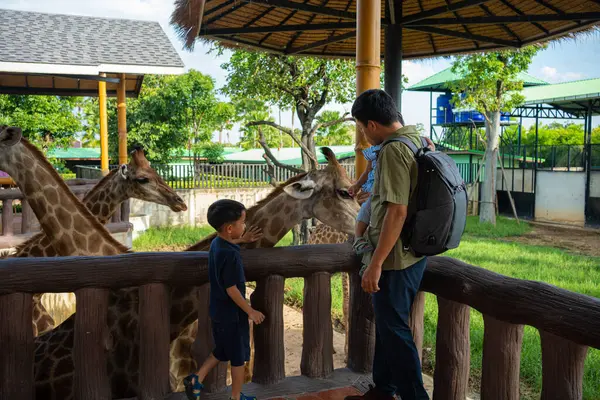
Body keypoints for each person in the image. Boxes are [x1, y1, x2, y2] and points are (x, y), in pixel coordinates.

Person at [344, 89, 430, 400]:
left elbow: (397, 211)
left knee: (394, 330)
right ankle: (384, 388)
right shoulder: (417, 139)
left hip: (394, 258)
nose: (363, 135)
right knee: (389, 326)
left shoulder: (393, 150)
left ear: (371, 124)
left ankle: (414, 397)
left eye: (361, 128)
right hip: (414, 252)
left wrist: (376, 264)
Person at [183, 199, 265, 400]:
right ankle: (235, 397)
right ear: (230, 228)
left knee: (222, 350)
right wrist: (250, 311)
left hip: (218, 311)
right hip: (232, 316)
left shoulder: (217, 244)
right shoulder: (231, 256)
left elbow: (226, 245)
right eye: (242, 223)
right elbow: (232, 290)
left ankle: (196, 378)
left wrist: (241, 240)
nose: (244, 227)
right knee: (238, 359)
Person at [348, 143, 380, 255]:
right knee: (365, 209)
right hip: (372, 189)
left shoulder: (397, 147)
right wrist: (357, 186)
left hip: (382, 190)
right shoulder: (374, 150)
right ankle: (358, 238)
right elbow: (367, 171)